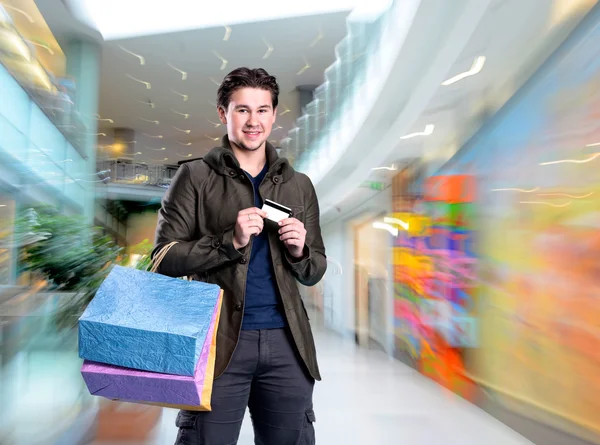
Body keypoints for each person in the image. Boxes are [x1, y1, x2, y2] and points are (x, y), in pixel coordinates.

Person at [153, 67, 327, 445]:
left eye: (263, 110)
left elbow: (315, 270)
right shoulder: (195, 177)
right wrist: (227, 242)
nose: (254, 121)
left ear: (274, 115)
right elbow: (162, 259)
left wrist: (299, 251)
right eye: (243, 110)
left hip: (287, 344)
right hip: (216, 344)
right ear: (223, 113)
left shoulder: (299, 185)